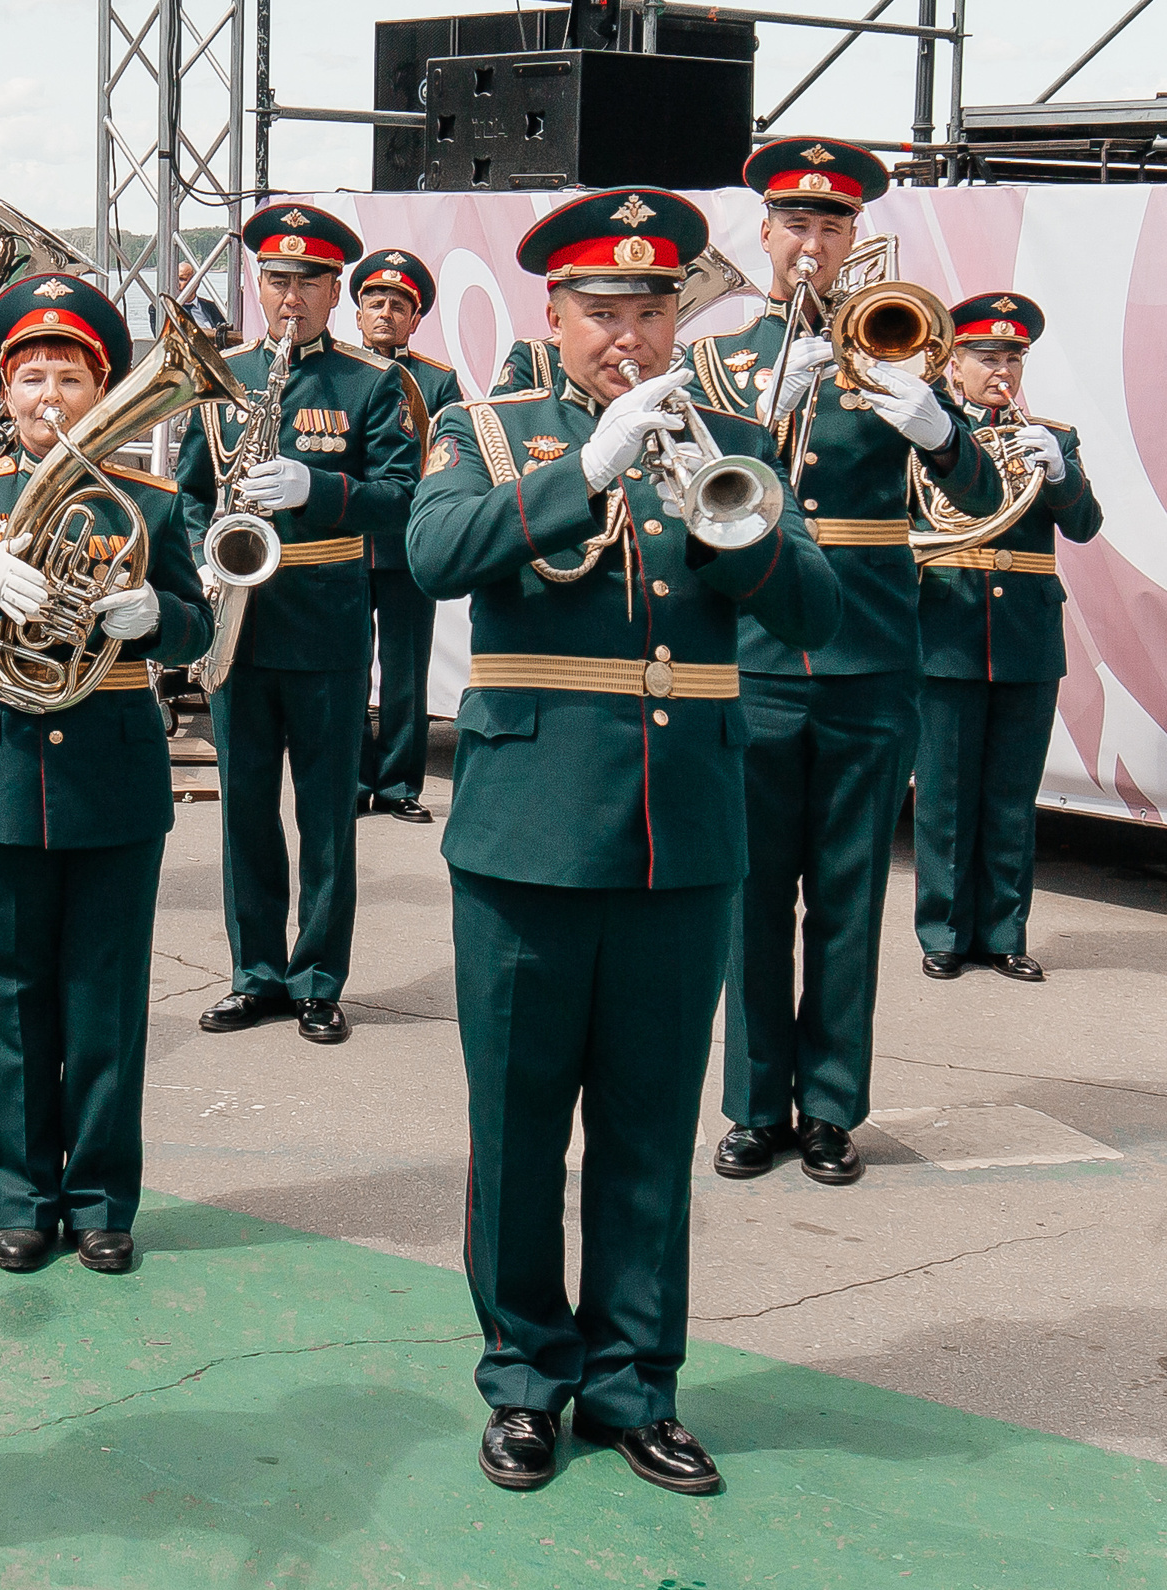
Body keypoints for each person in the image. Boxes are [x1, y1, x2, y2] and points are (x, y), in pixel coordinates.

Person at [408, 187, 839, 1498]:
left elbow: (813, 604)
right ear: (555, 308)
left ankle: (636, 1384)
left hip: (684, 836)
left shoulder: (729, 433)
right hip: (529, 838)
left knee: (649, 1132)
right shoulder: (483, 427)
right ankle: (529, 1381)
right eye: (603, 309)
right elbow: (434, 552)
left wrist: (737, 518)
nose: (629, 336)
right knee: (523, 1128)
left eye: (650, 308)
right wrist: (582, 471)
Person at [683, 139, 1003, 1189]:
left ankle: (828, 1108)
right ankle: (749, 1104)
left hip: (871, 660)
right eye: (794, 227)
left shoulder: (897, 346)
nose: (811, 246)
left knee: (851, 898)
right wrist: (771, 405)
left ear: (854, 239)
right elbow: (693, 492)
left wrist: (941, 428)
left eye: (831, 228)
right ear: (763, 238)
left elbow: (972, 500)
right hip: (756, 663)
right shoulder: (717, 361)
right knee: (751, 896)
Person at [0, 272, 212, 1276]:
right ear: (0, 392)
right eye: (27, 378)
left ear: (101, 388)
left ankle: (103, 1199)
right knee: (10, 1001)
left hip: (112, 780)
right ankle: (23, 1195)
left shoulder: (148, 501)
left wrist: (160, 621)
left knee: (105, 1001)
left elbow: (198, 620)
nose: (46, 397)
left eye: (67, 377)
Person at [176, 202, 420, 1047]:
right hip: (239, 623)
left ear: (333, 289)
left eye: (308, 281)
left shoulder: (371, 381)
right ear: (257, 282)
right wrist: (200, 563)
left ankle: (318, 977)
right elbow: (186, 493)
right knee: (244, 807)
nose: (290, 297)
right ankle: (255, 974)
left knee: (324, 813)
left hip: (326, 620)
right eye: (276, 279)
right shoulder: (220, 375)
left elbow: (404, 499)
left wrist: (322, 490)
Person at [911, 294, 1102, 982]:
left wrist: (1059, 470)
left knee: (1011, 794)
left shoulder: (1053, 434)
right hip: (950, 626)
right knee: (944, 794)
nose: (1002, 371)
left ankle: (1005, 932)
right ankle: (943, 931)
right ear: (953, 362)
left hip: (1024, 633)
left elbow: (1082, 525)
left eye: (1012, 359)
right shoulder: (929, 432)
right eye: (986, 358)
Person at [348, 249, 461, 821]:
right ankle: (351, 779)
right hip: (341, 543)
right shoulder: (338, 372)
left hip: (408, 543)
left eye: (399, 304)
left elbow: (449, 461)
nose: (386, 311)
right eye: (375, 301)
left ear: (416, 319)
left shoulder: (439, 382)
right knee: (345, 665)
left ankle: (396, 785)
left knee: (404, 669)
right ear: (358, 311)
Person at [150, 257, 230, 340]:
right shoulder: (160, 308)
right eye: (174, 279)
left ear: (196, 282)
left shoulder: (212, 307)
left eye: (182, 279)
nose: (177, 283)